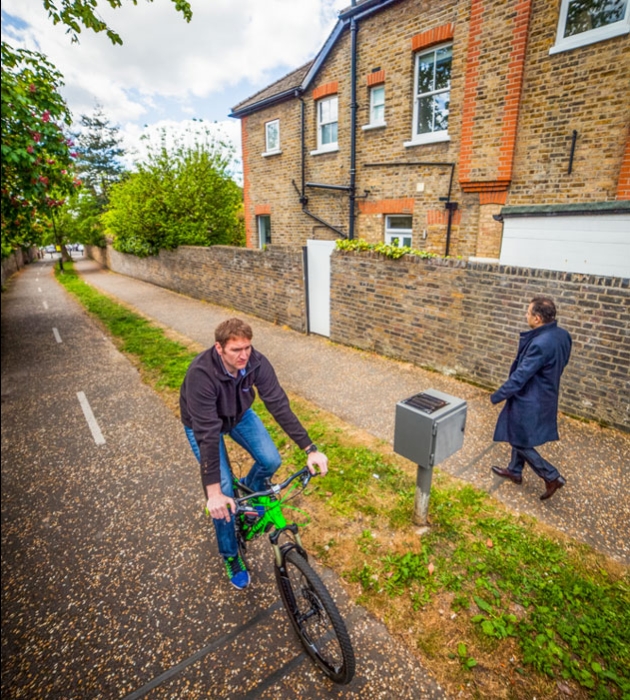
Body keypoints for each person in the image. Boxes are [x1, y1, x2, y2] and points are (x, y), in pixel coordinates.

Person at [180, 317, 329, 590]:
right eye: (236, 350)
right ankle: (231, 555)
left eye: (247, 347)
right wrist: (214, 493)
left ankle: (249, 496)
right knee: (223, 492)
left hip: (239, 415)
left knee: (271, 459)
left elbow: (278, 405)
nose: (243, 355)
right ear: (219, 348)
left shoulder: (255, 362)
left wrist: (310, 449)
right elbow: (208, 434)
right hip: (202, 424)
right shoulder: (201, 375)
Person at [490, 296, 572, 501]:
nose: (525, 316)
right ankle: (514, 471)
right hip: (546, 395)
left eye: (528, 313)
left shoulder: (540, 344)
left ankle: (551, 475)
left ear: (537, 318)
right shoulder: (562, 335)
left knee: (517, 438)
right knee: (521, 432)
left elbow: (521, 376)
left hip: (530, 398)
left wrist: (497, 395)